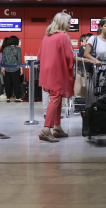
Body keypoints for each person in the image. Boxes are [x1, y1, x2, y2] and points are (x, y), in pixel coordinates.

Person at [37, 12, 75, 143]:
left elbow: (39, 55)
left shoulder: (46, 36)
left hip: (47, 71)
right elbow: (70, 57)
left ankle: (57, 127)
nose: (70, 25)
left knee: (56, 96)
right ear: (63, 23)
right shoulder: (63, 36)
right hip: (57, 72)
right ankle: (46, 129)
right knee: (55, 98)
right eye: (69, 22)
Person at [2, 35, 23, 103]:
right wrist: (21, 68)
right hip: (15, 68)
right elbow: (19, 60)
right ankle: (17, 98)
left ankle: (8, 98)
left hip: (7, 68)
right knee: (16, 83)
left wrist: (3, 67)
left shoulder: (5, 49)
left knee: (7, 83)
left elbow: (4, 59)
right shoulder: (18, 49)